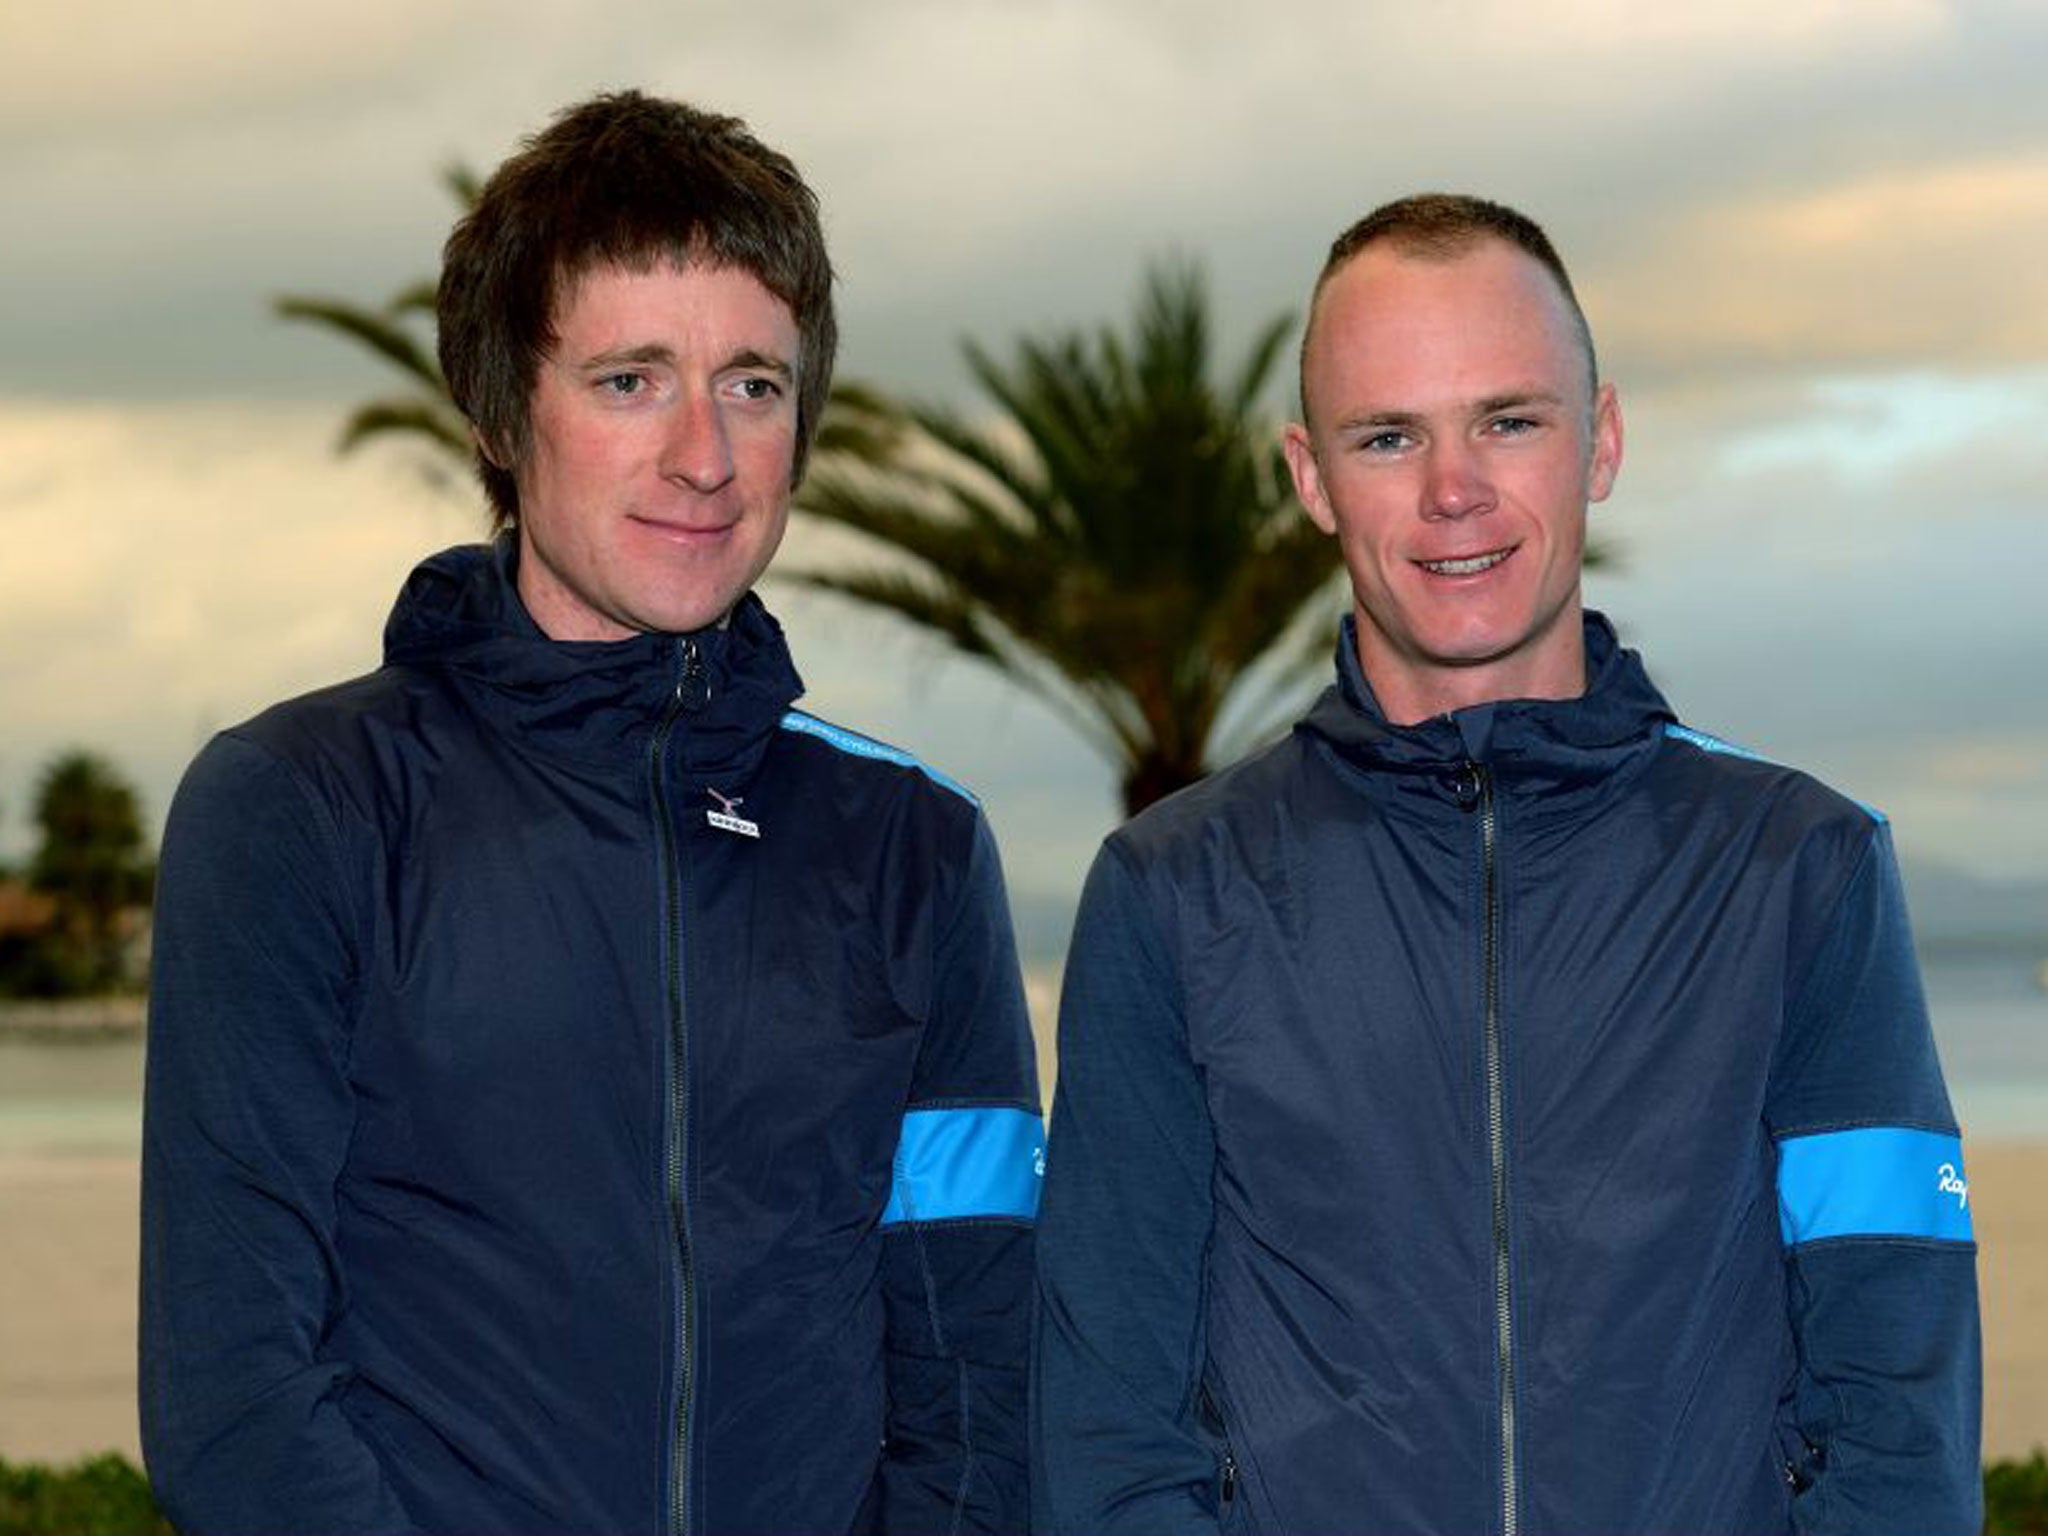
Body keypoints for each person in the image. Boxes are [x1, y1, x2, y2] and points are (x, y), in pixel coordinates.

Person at [141, 91, 1041, 1536]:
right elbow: (235, 1397)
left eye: (753, 384)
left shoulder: (913, 846)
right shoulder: (299, 807)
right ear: (502, 413)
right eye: (630, 381)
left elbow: (976, 1381)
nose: (705, 454)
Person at [1031, 193, 1980, 1535]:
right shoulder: (1173, 895)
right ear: (1311, 478)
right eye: (1387, 435)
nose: (1452, 489)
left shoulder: (1803, 869)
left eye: (1509, 420)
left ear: (1602, 440)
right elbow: (1109, 1436)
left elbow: (1897, 1417)